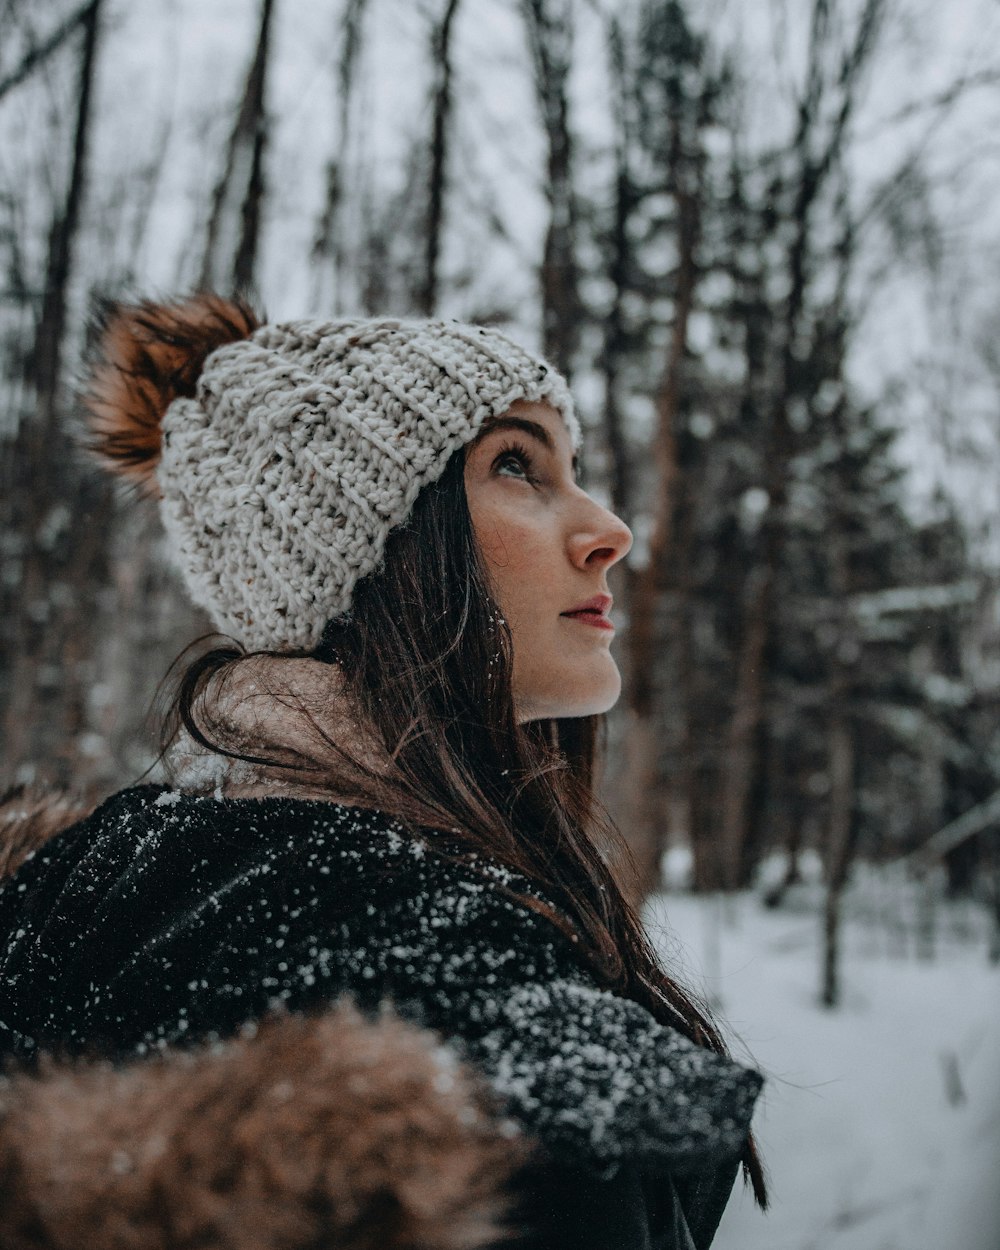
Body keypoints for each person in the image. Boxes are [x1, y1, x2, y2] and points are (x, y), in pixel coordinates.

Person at [0, 295, 766, 1249]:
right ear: (369, 554)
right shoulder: (438, 966)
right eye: (516, 465)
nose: (609, 528)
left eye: (575, 472)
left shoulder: (79, 885)